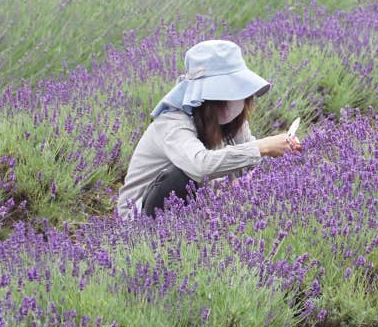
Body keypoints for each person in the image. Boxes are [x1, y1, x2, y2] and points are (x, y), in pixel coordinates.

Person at [117, 40, 301, 219]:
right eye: (223, 95)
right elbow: (200, 167)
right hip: (140, 218)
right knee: (183, 175)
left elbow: (246, 164)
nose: (233, 101)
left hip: (198, 210)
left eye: (238, 92)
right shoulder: (172, 123)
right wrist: (262, 147)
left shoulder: (233, 122)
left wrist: (281, 152)